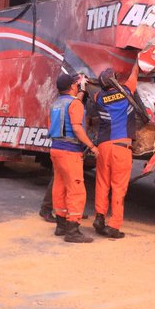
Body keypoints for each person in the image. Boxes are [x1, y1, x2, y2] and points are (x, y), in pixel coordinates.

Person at [48, 73, 99, 243]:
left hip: (56, 149)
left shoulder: (56, 104)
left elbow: (69, 106)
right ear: (71, 87)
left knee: (60, 186)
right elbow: (77, 128)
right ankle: (73, 230)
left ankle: (61, 225)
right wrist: (91, 146)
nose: (77, 86)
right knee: (76, 189)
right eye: (76, 84)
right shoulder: (75, 104)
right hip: (70, 152)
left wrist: (82, 91)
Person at [93, 61, 139, 239]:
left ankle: (99, 218)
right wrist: (137, 59)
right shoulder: (127, 92)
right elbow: (135, 72)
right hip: (121, 147)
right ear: (116, 81)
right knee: (118, 187)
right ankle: (113, 226)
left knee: (102, 183)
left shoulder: (98, 98)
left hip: (103, 146)